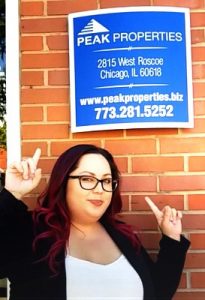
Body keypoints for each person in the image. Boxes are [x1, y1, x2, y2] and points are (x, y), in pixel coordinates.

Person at [0, 144, 190, 300]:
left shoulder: (123, 236)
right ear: (63, 183)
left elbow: (158, 292)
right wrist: (11, 195)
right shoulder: (34, 233)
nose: (100, 189)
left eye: (107, 181)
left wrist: (171, 239)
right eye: (87, 179)